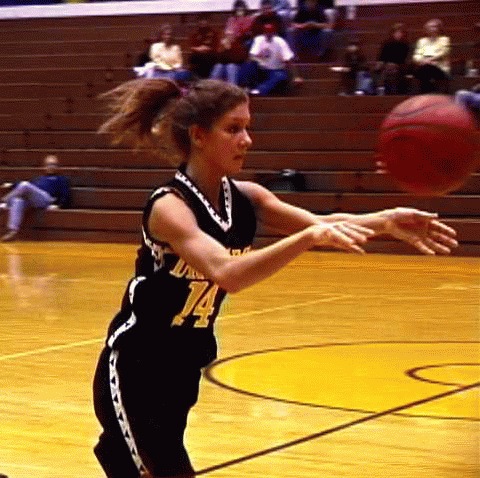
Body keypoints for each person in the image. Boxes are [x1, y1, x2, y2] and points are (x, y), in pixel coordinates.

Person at [92, 77, 458, 478]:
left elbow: (322, 223)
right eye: (233, 129)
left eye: (247, 127)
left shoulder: (247, 198)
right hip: (137, 366)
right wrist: (307, 238)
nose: (246, 140)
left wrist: (385, 221)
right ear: (198, 136)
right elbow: (228, 273)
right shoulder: (170, 207)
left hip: (182, 368)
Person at [0, 154, 71, 242]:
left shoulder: (61, 179)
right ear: (44, 166)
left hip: (46, 199)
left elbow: (66, 195)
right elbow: (29, 187)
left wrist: (59, 205)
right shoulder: (39, 178)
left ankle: (4, 202)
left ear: (57, 166)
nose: (51, 166)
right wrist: (12, 184)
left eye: (53, 164)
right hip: (33, 200)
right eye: (49, 164)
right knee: (18, 200)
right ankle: (13, 231)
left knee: (24, 185)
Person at [238, 22, 295, 95]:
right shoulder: (259, 39)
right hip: (261, 69)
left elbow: (288, 58)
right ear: (264, 32)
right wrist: (260, 55)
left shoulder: (280, 41)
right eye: (266, 32)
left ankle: (259, 90)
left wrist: (295, 76)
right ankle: (245, 87)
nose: (268, 34)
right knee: (248, 64)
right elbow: (252, 55)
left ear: (274, 32)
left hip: (275, 70)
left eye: (270, 32)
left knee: (280, 76)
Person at [412, 18, 450, 93]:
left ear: (439, 28)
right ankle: (427, 92)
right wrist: (423, 61)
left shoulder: (444, 40)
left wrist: (431, 59)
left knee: (427, 69)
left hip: (439, 66)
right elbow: (416, 56)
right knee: (425, 69)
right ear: (426, 29)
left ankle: (426, 93)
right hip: (424, 65)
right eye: (430, 27)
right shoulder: (422, 41)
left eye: (435, 26)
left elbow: (444, 52)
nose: (433, 29)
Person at [373, 22, 411, 95]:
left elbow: (407, 60)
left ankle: (394, 95)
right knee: (383, 72)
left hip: (401, 67)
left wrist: (396, 65)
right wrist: (383, 64)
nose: (398, 34)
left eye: (400, 32)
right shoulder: (386, 43)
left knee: (394, 73)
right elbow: (381, 58)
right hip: (386, 66)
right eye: (396, 32)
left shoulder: (406, 45)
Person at [188, 13, 220, 80]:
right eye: (201, 20)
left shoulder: (213, 33)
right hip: (198, 54)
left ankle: (208, 78)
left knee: (209, 57)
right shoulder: (195, 33)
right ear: (198, 22)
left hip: (209, 55)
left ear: (208, 21)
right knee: (193, 57)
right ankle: (197, 78)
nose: (203, 22)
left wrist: (207, 48)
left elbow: (216, 46)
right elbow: (191, 46)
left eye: (205, 20)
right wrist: (199, 48)